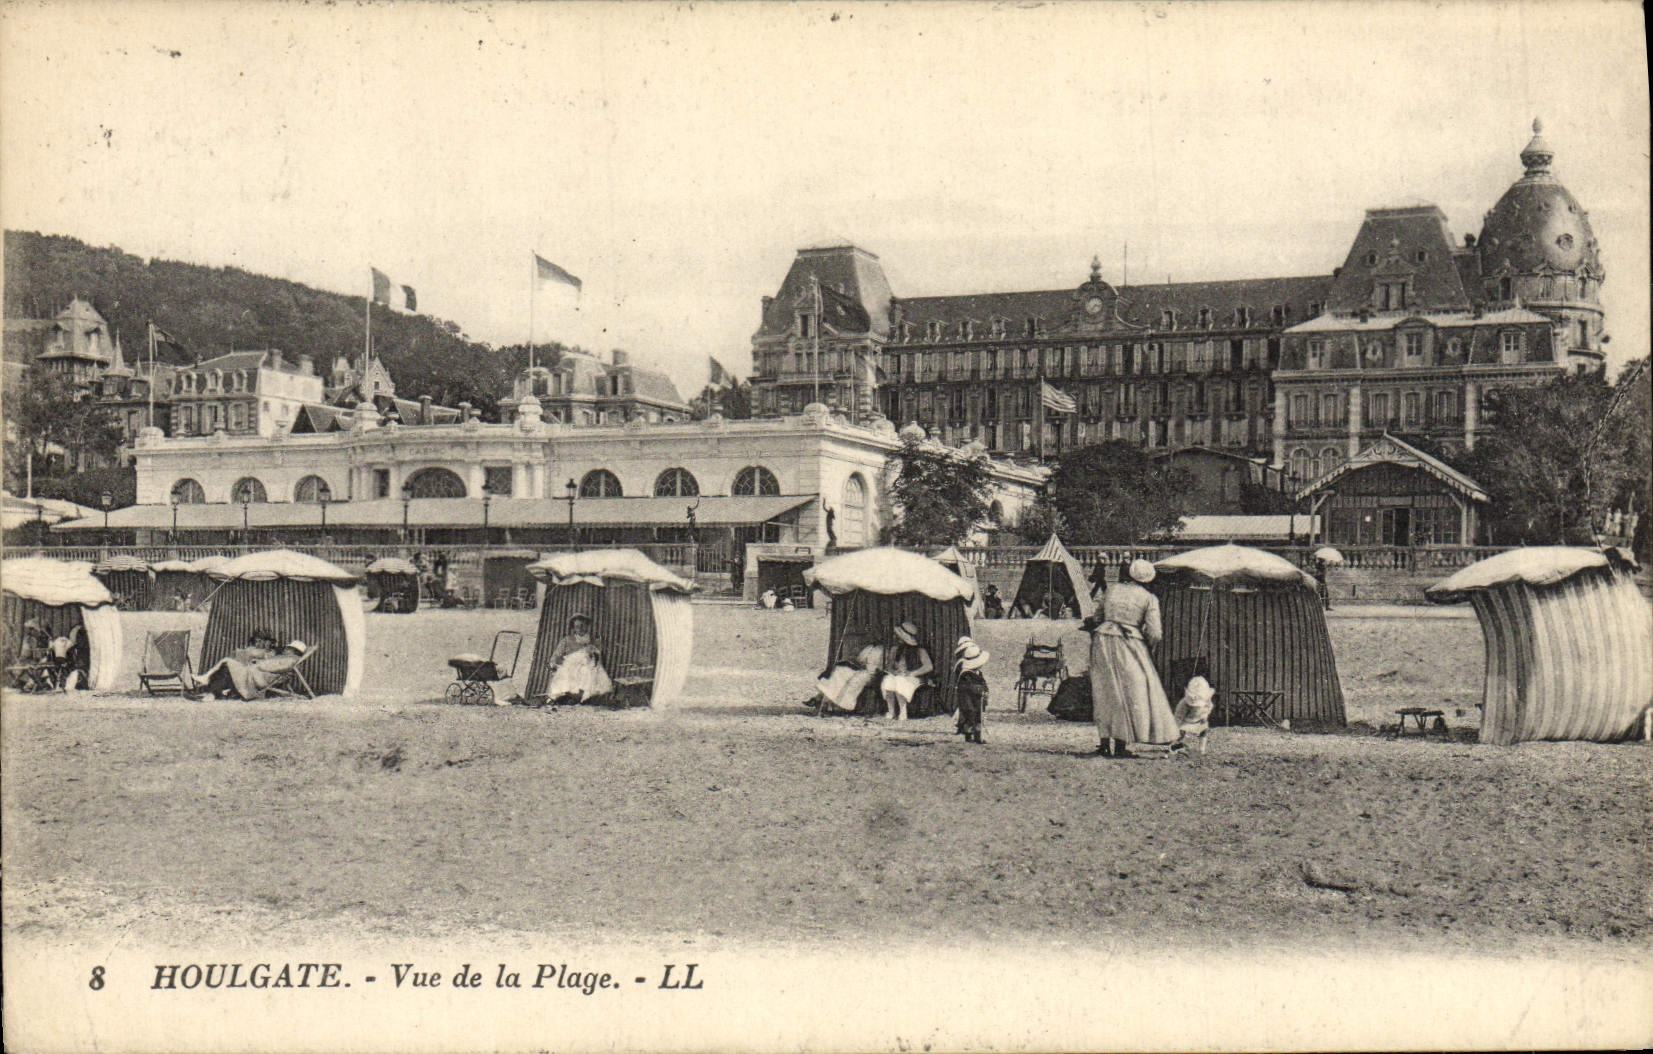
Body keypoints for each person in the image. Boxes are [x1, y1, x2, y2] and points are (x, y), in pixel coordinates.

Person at [1084, 559, 1179, 758]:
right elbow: (1155, 633)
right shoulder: (1149, 598)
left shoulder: (1111, 590)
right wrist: (1148, 647)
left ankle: (1104, 743)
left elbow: (1097, 617)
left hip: (1103, 639)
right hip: (1129, 642)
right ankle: (1121, 744)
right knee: (1131, 691)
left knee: (1104, 691)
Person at [192, 636, 304, 700]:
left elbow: (274, 668)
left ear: (294, 651)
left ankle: (209, 684)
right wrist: (259, 662)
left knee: (227, 663)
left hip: (260, 677)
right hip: (258, 674)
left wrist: (258, 663)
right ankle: (212, 692)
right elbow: (273, 665)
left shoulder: (291, 659)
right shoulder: (287, 658)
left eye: (289, 648)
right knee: (227, 669)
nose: (286, 649)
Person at [544, 614, 612, 704]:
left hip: (588, 665)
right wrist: (553, 663)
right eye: (577, 626)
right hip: (571, 666)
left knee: (589, 672)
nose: (580, 629)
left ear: (587, 626)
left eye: (583, 626)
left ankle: (586, 696)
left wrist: (593, 653)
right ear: (574, 628)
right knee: (563, 673)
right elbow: (557, 654)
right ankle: (561, 697)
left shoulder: (592, 640)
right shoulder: (567, 640)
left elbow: (598, 654)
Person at [814, 631, 884, 714]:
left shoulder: (882, 650)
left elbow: (881, 667)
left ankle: (828, 701)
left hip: (872, 674)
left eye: (878, 636)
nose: (875, 637)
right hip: (862, 670)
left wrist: (873, 670)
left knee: (855, 680)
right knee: (839, 671)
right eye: (874, 635)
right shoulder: (870, 647)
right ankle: (825, 699)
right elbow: (860, 659)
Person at [880, 620, 933, 721]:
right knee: (888, 680)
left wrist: (912, 673)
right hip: (898, 676)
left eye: (898, 637)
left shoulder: (920, 650)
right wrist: (894, 672)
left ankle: (903, 711)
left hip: (915, 677)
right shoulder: (895, 650)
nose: (896, 638)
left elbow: (928, 666)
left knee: (900, 681)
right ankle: (891, 711)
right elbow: (889, 667)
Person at [954, 639, 990, 744]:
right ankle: (968, 735)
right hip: (967, 697)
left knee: (979, 714)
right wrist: (979, 689)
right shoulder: (965, 674)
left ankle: (978, 736)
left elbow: (983, 683)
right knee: (970, 713)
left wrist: (985, 690)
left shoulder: (978, 673)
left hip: (977, 698)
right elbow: (966, 687)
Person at [1170, 675, 1216, 756]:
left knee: (1204, 730)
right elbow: (1178, 716)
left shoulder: (1206, 700)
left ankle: (1201, 749)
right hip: (1186, 721)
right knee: (1182, 735)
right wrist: (1177, 727)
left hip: (1199, 719)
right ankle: (1177, 746)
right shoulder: (1184, 704)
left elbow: (1209, 707)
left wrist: (1205, 715)